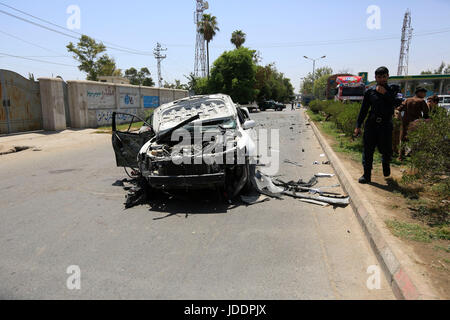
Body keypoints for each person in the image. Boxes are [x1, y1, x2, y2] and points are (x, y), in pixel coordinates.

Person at [354, 67, 403, 184]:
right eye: (379, 77)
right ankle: (366, 175)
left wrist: (385, 93)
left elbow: (397, 103)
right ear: (375, 78)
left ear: (388, 76)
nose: (382, 79)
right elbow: (364, 110)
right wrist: (358, 126)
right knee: (368, 150)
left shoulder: (394, 89)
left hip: (386, 125)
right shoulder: (370, 91)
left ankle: (386, 164)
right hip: (371, 124)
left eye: (384, 76)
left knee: (385, 150)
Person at [396, 87, 429, 161]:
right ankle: (414, 157)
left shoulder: (407, 100)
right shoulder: (421, 101)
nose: (425, 94)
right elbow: (426, 114)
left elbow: (399, 108)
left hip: (405, 122)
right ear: (419, 92)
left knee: (403, 139)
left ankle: (400, 156)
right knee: (415, 140)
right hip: (416, 123)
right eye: (424, 92)